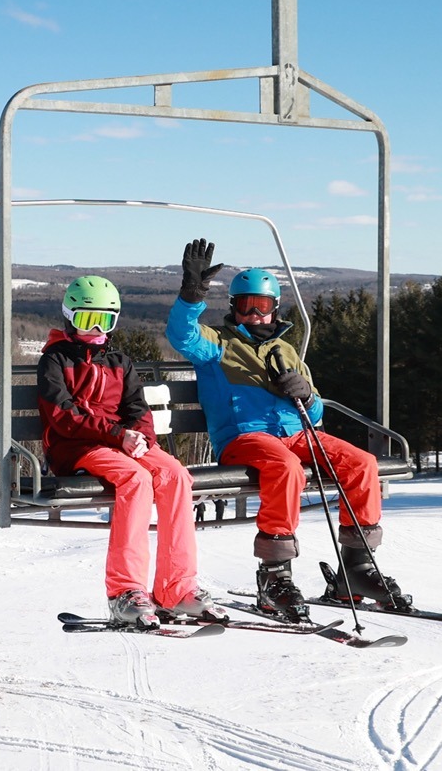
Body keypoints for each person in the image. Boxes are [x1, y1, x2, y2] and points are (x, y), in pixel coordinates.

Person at [165, 239, 409, 621]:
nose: (253, 315)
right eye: (245, 306)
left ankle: (357, 569)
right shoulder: (217, 345)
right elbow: (182, 335)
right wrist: (191, 293)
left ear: (274, 308)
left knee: (361, 464)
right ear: (234, 308)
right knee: (285, 467)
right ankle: (274, 574)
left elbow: (313, 416)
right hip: (245, 437)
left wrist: (306, 394)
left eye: (261, 307)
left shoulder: (287, 350)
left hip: (296, 435)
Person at [38, 275, 220, 629]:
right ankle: (125, 591)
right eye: (86, 319)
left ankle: (177, 588)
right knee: (137, 480)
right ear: (68, 317)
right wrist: (118, 435)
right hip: (78, 446)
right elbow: (62, 416)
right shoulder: (55, 360)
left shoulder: (119, 360)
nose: (95, 329)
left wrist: (142, 438)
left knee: (175, 475)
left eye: (104, 321)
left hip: (120, 442)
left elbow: (138, 408)